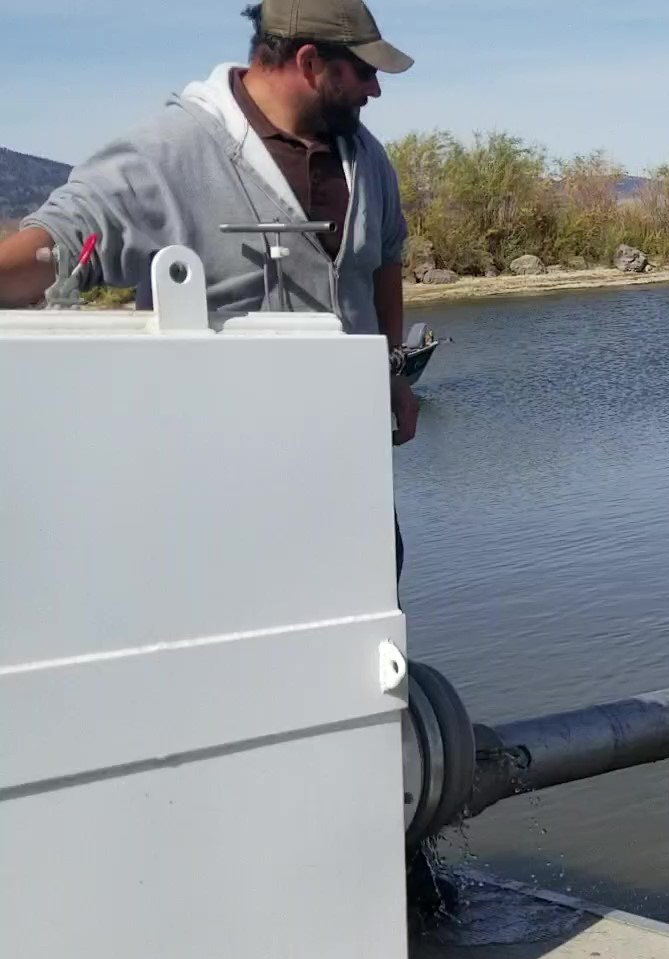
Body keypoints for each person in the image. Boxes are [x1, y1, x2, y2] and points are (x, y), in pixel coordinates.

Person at [0, 0, 420, 573]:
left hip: (356, 483)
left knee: (371, 634)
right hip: (219, 497)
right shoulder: (166, 154)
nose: (375, 90)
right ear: (309, 63)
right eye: (365, 72)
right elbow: (58, 241)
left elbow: (384, 260)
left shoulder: (368, 159)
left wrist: (393, 372)